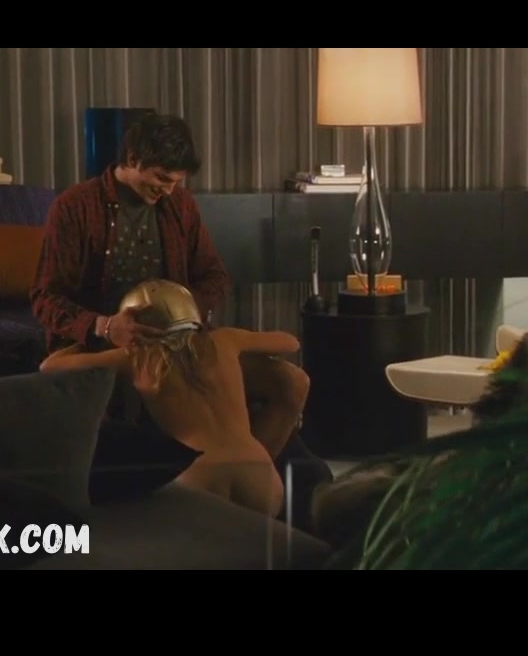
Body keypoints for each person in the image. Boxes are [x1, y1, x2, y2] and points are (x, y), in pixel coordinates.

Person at [29, 113, 326, 516]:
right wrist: (105, 327)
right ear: (131, 159)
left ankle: (248, 476)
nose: (168, 190)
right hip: (109, 341)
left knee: (290, 382)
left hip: (180, 338)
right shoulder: (75, 207)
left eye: (176, 182)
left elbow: (214, 276)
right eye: (161, 179)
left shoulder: (179, 205)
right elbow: (45, 298)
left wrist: (184, 317)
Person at [40, 279, 295, 517]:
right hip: (258, 471)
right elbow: (290, 343)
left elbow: (50, 367)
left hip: (197, 473)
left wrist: (103, 336)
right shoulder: (224, 340)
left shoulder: (138, 357)